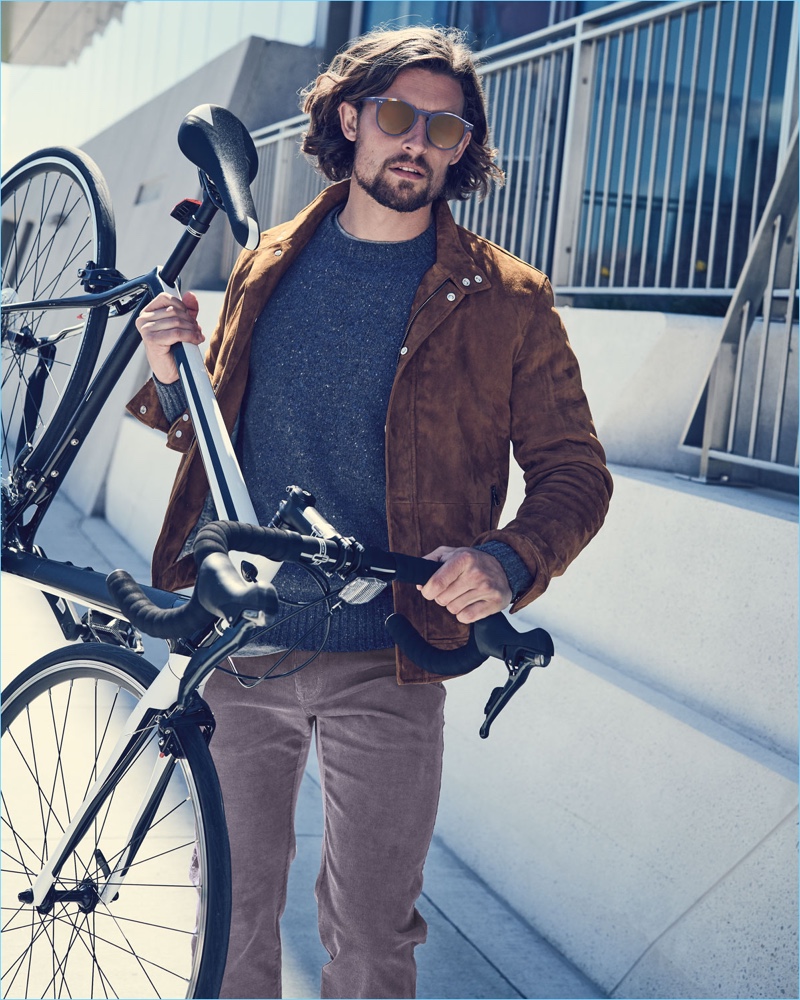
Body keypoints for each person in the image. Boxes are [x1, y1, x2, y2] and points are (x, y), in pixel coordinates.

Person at [129, 24, 613, 1000]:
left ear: (462, 144)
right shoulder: (266, 265)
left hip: (391, 654)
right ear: (348, 119)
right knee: (228, 915)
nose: (416, 143)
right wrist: (167, 372)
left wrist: (506, 560)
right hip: (241, 646)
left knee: (372, 942)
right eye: (397, 116)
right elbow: (216, 441)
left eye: (444, 128)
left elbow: (573, 472)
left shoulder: (507, 301)